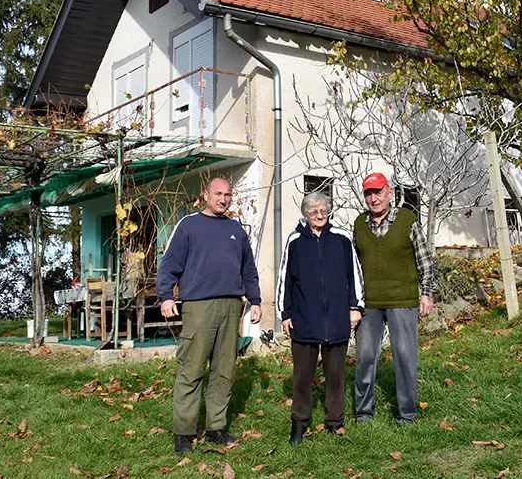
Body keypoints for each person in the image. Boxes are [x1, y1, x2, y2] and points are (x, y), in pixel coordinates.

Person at [157, 177, 262, 454]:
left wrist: (256, 300)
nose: (223, 199)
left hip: (231, 307)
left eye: (228, 194)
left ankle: (216, 427)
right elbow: (169, 264)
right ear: (205, 194)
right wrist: (166, 296)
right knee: (192, 370)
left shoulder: (235, 229)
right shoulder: (189, 225)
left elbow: (248, 270)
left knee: (224, 371)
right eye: (218, 193)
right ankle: (184, 432)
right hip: (198, 307)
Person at [276, 191, 364, 445]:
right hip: (304, 318)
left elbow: (354, 275)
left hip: (336, 318)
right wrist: (285, 314)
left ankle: (335, 422)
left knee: (335, 375)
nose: (319, 215)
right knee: (302, 375)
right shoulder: (295, 241)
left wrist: (355, 306)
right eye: (314, 211)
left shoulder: (342, 239)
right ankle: (299, 423)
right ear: (305, 214)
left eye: (323, 210)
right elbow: (285, 280)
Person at [353, 172, 436, 425]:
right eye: (368, 193)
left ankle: (407, 414)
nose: (373, 198)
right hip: (370, 303)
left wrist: (427, 293)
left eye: (378, 192)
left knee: (404, 355)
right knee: (365, 356)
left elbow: (424, 260)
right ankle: (363, 413)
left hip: (403, 300)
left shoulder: (407, 220)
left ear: (389, 192)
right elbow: (353, 265)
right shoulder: (359, 224)